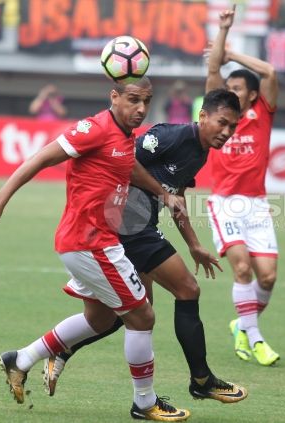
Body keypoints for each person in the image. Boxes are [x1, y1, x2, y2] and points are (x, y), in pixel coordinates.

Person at [0, 76, 191, 421]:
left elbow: (131, 168)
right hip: (90, 243)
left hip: (92, 244)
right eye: (133, 100)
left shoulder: (124, 137)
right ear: (114, 96)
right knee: (143, 316)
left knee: (100, 318)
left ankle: (19, 359)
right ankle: (144, 403)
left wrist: (164, 194)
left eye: (146, 102)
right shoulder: (94, 128)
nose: (140, 109)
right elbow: (41, 157)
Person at [42, 89, 249, 404]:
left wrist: (194, 244)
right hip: (128, 227)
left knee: (133, 313)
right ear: (203, 115)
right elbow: (125, 160)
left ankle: (62, 350)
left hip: (140, 227)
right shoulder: (170, 137)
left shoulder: (200, 152)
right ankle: (201, 380)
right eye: (222, 122)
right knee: (186, 290)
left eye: (232, 127)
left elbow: (176, 196)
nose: (226, 132)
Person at [205, 5, 281, 366]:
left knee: (267, 277)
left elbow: (269, 71)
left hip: (257, 205)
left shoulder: (262, 114)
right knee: (242, 270)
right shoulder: (220, 116)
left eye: (237, 88)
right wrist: (224, 31)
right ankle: (256, 337)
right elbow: (212, 70)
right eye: (227, 89)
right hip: (224, 203)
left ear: (252, 95)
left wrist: (234, 51)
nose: (229, 92)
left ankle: (242, 324)